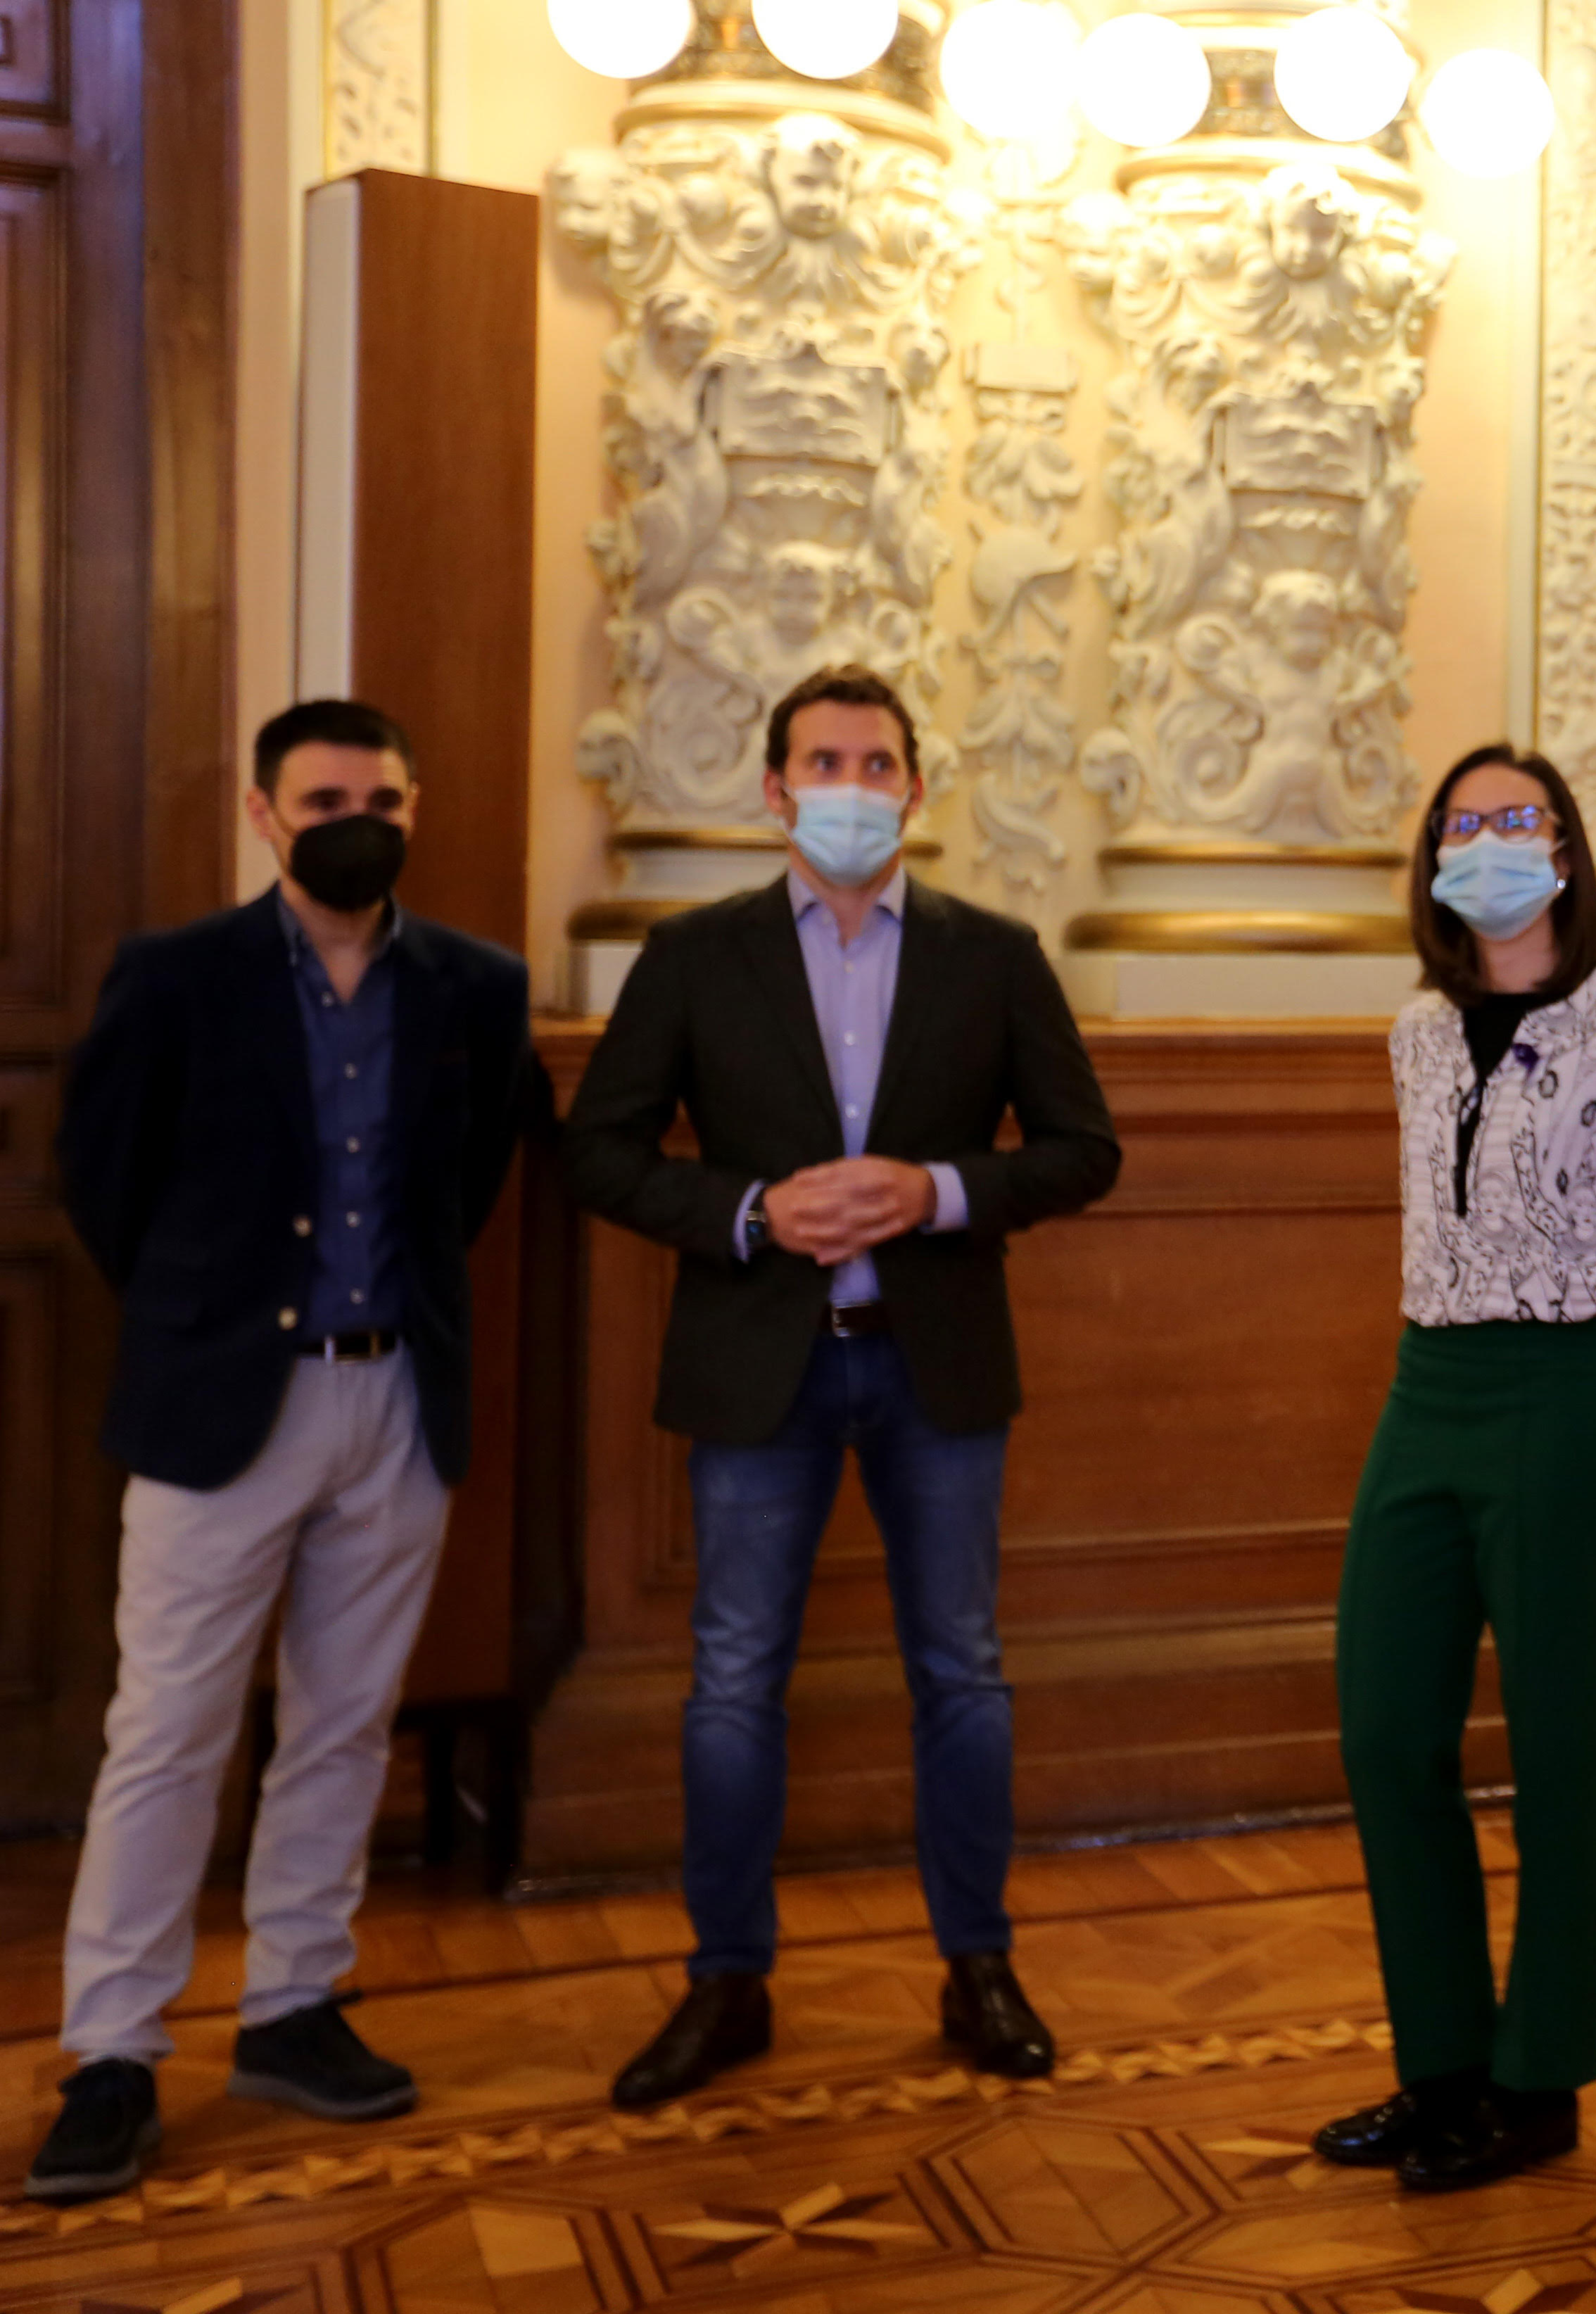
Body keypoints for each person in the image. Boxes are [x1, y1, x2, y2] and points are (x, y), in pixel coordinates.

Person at [564, 663, 1119, 2110]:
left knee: (966, 1675)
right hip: (761, 1370)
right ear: (773, 789)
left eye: (879, 765)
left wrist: (935, 1190)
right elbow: (599, 1150)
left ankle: (980, 1966)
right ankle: (725, 1980)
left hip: (936, 1368)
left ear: (915, 791)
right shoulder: (691, 956)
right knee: (733, 1683)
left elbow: (1082, 1148)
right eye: (826, 761)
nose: (854, 787)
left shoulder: (996, 954)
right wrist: (753, 1213)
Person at [25, 702, 541, 2203]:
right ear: (266, 815)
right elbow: (106, 1180)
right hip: (221, 1406)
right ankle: (113, 2052)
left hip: (398, 1405)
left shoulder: (477, 988)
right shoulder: (175, 977)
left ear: (415, 807)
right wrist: (213, 1318)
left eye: (380, 794)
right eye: (324, 797)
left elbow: (474, 1182)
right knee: (167, 1732)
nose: (353, 816)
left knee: (343, 1724)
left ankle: (294, 2009)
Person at [1312, 743, 1596, 2192]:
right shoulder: (1418, 1032)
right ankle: (1440, 2070)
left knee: (1557, 1749)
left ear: (1563, 850)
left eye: (1516, 819)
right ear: (1434, 858)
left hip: (1571, 1392)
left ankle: (1535, 2082)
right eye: (1463, 822)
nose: (1488, 841)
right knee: (1385, 1731)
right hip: (1430, 1387)